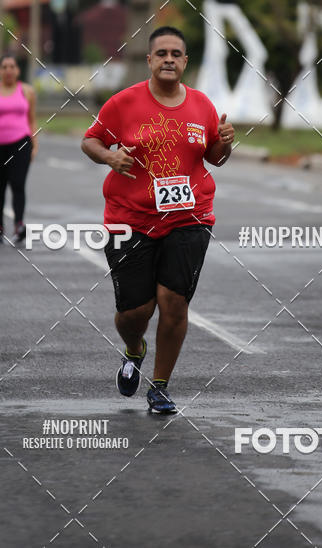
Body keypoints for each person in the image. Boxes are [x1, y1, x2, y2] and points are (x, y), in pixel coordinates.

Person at [82, 26, 235, 415]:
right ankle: (134, 349)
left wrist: (225, 143)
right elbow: (90, 140)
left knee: (173, 303)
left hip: (190, 216)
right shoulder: (123, 103)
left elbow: (214, 158)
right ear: (149, 60)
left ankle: (161, 385)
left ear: (185, 62)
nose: (169, 59)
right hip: (129, 218)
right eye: (161, 53)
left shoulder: (202, 106)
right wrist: (110, 157)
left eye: (176, 54)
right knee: (136, 312)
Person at [0, 54, 37, 244]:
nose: (8, 70)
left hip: (21, 142)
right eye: (4, 66)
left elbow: (32, 120)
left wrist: (35, 145)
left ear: (18, 70)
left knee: (18, 183)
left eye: (12, 66)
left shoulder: (27, 91)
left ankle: (19, 225)